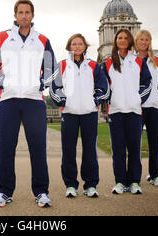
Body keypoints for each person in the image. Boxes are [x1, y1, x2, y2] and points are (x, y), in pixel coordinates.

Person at [0, 0, 65, 208]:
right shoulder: (1, 37)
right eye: (20, 12)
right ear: (15, 15)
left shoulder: (42, 40)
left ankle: (41, 192)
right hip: (9, 100)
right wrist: (2, 85)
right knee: (5, 148)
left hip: (34, 100)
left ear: (32, 15)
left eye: (27, 12)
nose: (23, 15)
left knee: (38, 148)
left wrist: (40, 84)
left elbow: (51, 69)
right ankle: (4, 192)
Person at [54, 34, 109, 198]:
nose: (77, 46)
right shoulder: (62, 65)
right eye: (74, 44)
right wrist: (63, 101)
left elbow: (103, 87)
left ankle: (90, 185)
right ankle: (71, 185)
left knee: (90, 150)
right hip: (69, 113)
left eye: (80, 44)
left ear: (85, 46)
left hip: (89, 113)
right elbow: (54, 88)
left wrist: (94, 101)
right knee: (68, 150)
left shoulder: (92, 65)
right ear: (69, 46)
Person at [102, 29, 152, 195]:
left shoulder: (138, 61)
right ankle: (120, 182)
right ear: (116, 40)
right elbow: (102, 87)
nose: (122, 40)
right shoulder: (108, 62)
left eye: (125, 38)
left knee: (134, 149)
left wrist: (138, 99)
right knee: (118, 150)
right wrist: (110, 99)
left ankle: (134, 182)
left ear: (130, 41)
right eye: (119, 38)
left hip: (134, 111)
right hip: (115, 111)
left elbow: (147, 83)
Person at [134, 30, 158, 187]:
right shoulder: (130, 60)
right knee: (135, 144)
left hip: (154, 107)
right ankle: (135, 178)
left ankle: (155, 175)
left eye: (146, 39)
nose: (143, 42)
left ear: (149, 42)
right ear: (136, 41)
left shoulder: (156, 61)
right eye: (140, 39)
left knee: (156, 143)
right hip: (136, 108)